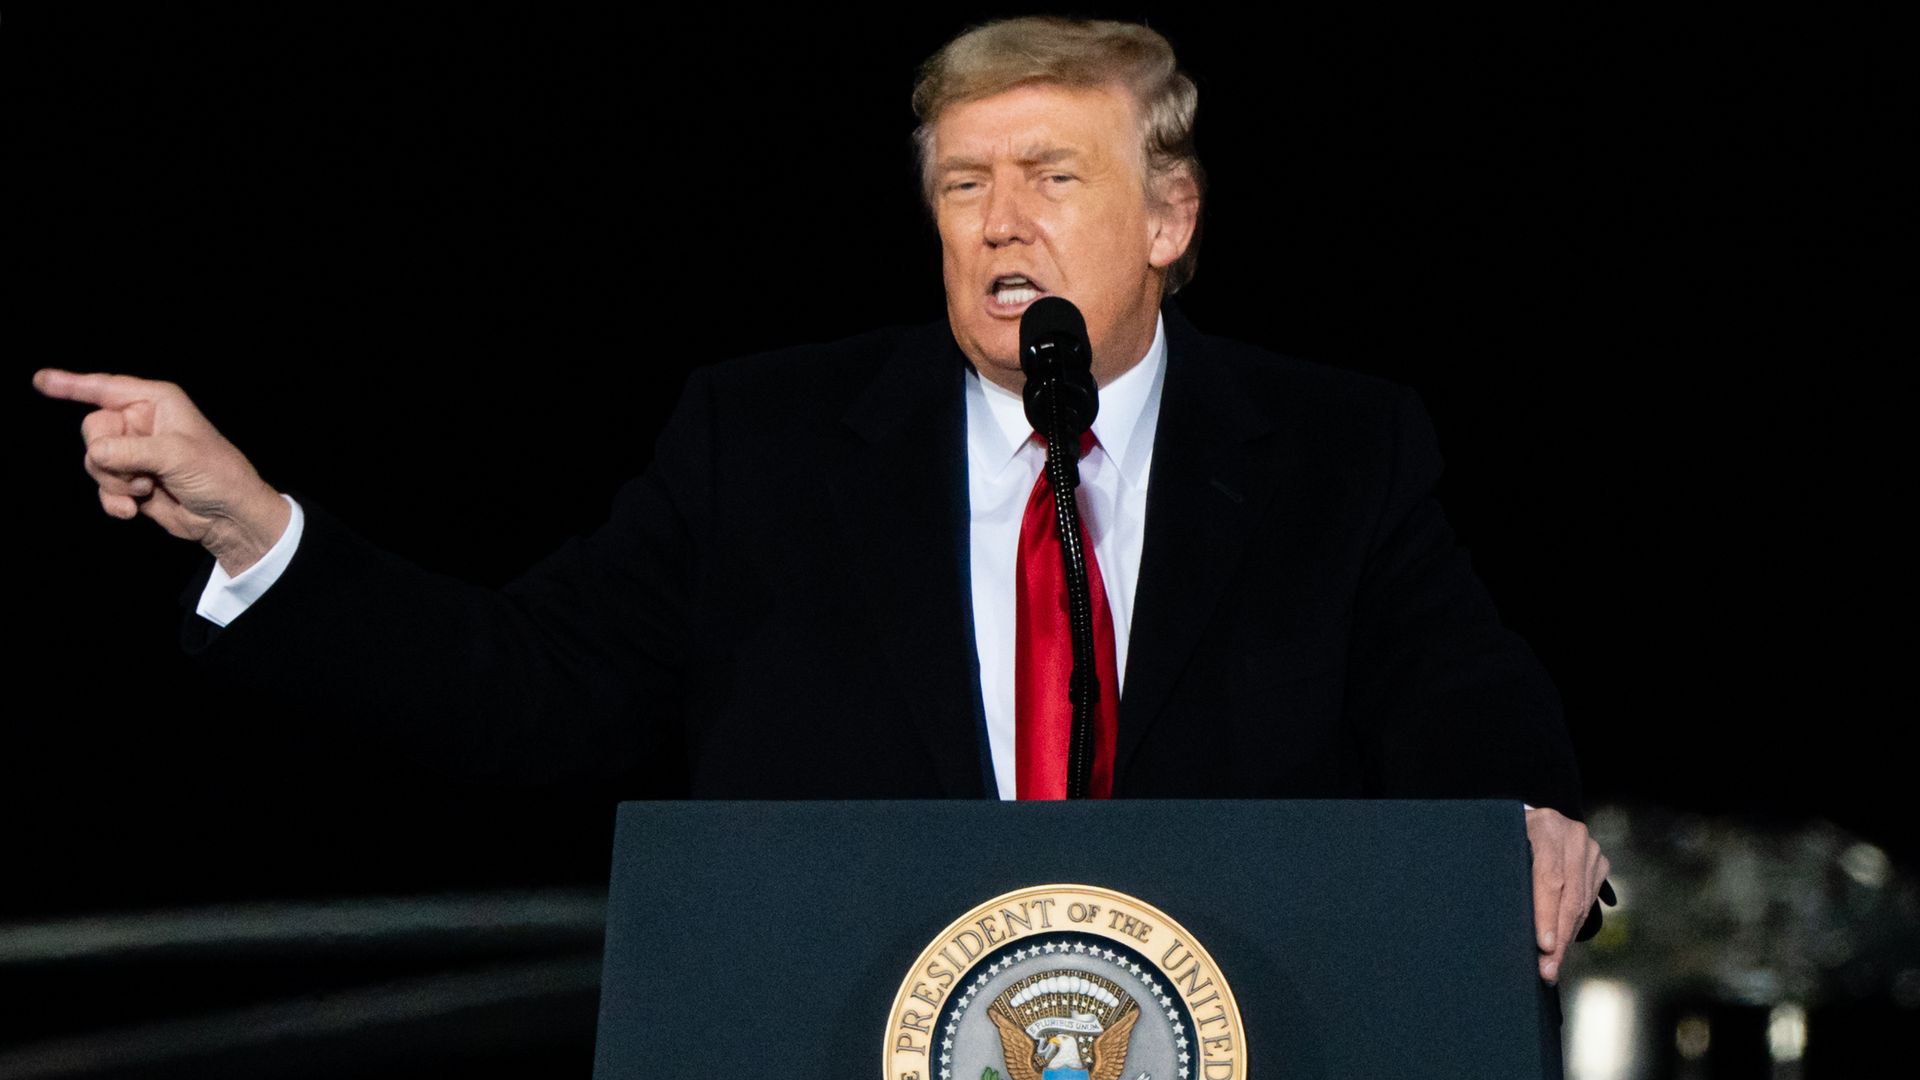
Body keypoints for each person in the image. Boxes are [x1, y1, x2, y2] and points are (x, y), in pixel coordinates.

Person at [33, 16, 1608, 986]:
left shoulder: (1337, 449)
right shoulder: (767, 443)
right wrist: (261, 532)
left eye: (1056, 177)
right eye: (964, 184)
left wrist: (1527, 822)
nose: (1005, 223)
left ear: (1171, 214)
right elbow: (535, 693)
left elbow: (1456, 693)